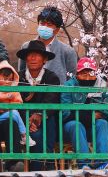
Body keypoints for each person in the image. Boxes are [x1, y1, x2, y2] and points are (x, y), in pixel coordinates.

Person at [61, 57, 108, 170]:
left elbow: (105, 111)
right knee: (76, 125)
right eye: (84, 74)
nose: (88, 77)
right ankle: (83, 163)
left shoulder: (102, 85)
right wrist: (90, 115)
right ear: (77, 74)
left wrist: (81, 113)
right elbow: (65, 113)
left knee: (103, 123)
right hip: (72, 127)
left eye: (91, 73)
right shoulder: (69, 86)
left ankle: (103, 162)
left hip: (92, 126)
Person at [17, 40, 60, 171]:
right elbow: (16, 101)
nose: (33, 58)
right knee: (34, 136)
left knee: (50, 122)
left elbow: (52, 99)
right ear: (26, 58)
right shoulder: (18, 78)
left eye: (37, 55)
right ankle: (41, 168)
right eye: (30, 55)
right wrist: (28, 119)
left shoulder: (52, 78)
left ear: (45, 59)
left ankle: (44, 164)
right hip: (24, 121)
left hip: (45, 119)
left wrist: (39, 115)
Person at [18, 6, 78, 84]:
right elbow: (21, 73)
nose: (44, 27)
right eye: (42, 23)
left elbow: (71, 79)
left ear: (57, 30)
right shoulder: (26, 47)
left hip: (57, 94)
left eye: (49, 24)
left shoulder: (67, 51)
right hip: (29, 93)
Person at [0, 61, 35, 147]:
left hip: (6, 116)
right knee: (14, 114)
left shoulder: (13, 90)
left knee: (14, 114)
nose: (7, 82)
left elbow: (17, 103)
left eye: (10, 79)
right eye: (4, 79)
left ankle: (23, 137)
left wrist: (7, 108)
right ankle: (24, 135)